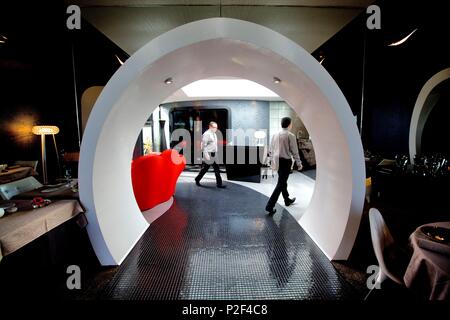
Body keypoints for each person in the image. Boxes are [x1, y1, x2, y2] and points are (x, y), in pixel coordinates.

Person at [265, 117, 302, 215]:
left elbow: (270, 150)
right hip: (286, 162)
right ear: (289, 124)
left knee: (282, 181)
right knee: (281, 183)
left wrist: (270, 161)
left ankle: (287, 200)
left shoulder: (275, 135)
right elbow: (295, 151)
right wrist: (299, 163)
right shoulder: (290, 135)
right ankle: (269, 206)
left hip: (277, 161)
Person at [195, 121, 226, 188]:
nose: (216, 129)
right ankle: (197, 179)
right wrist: (206, 155)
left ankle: (219, 184)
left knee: (216, 169)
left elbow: (213, 144)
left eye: (216, 127)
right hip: (209, 154)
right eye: (214, 127)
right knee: (205, 169)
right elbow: (203, 146)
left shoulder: (214, 134)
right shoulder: (207, 134)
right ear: (210, 127)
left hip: (214, 154)